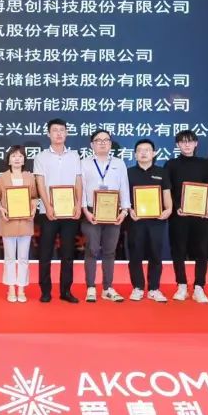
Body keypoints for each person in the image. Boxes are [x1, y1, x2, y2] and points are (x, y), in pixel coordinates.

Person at [34, 118, 83, 304]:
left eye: (62, 130)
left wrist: (78, 204)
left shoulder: (74, 156)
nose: (59, 133)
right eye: (55, 130)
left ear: (66, 133)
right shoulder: (41, 157)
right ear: (48, 134)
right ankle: (45, 291)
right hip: (48, 212)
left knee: (68, 253)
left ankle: (66, 291)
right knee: (45, 252)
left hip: (69, 211)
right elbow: (40, 182)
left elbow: (78, 181)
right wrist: (47, 206)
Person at [79, 129, 131, 302]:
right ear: (92, 144)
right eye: (98, 140)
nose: (102, 143)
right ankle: (91, 287)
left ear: (110, 144)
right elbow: (81, 188)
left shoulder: (119, 163)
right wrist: (85, 210)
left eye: (106, 140)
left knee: (110, 251)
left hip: (113, 213)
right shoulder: (84, 163)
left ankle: (108, 288)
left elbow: (124, 187)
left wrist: (124, 210)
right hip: (91, 212)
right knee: (92, 249)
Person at [164, 129, 208, 303]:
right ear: (177, 145)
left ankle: (199, 287)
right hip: (179, 215)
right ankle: (182, 285)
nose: (186, 145)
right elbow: (167, 190)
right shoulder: (171, 164)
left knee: (202, 251)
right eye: (183, 142)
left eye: (190, 141)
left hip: (201, 215)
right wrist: (176, 207)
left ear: (196, 143)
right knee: (178, 250)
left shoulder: (204, 164)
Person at [126, 139, 173, 302]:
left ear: (154, 153)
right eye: (140, 150)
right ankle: (138, 287)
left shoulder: (162, 172)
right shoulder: (128, 172)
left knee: (156, 254)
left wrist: (169, 209)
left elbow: (166, 193)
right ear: (135, 154)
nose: (144, 153)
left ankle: (154, 288)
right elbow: (124, 196)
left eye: (147, 150)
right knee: (135, 254)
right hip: (135, 220)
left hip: (157, 221)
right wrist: (129, 210)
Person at [0, 145, 38, 302]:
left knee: (23, 257)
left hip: (26, 221)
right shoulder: (2, 177)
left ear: (24, 159)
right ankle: (11, 288)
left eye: (20, 156)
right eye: (13, 156)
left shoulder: (30, 177)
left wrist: (33, 209)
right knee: (10, 257)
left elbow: (34, 197)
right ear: (9, 160)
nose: (17, 159)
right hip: (8, 221)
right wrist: (1, 208)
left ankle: (22, 289)